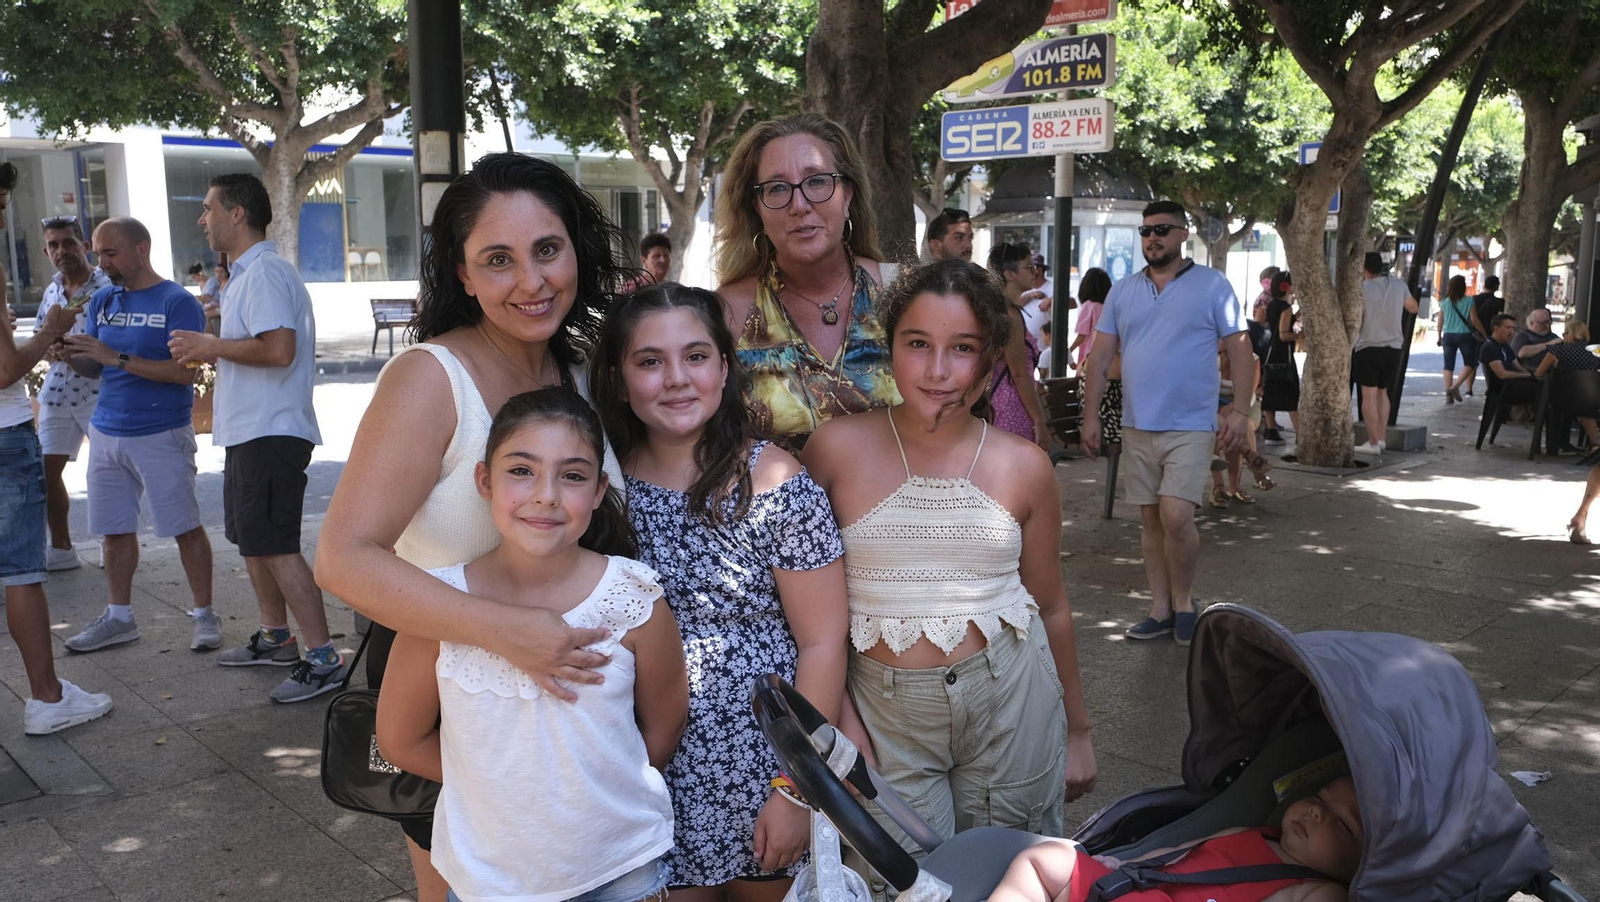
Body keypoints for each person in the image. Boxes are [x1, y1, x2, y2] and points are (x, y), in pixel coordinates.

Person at [315, 152, 632, 902]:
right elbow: (341, 558)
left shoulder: (576, 372)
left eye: (547, 250)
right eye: (498, 260)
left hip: (570, 718)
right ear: (461, 274)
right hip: (446, 703)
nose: (532, 281)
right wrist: (501, 628)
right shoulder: (430, 378)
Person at [804, 260, 1098, 860]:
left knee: (1010, 873)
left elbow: (1052, 605)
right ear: (889, 348)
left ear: (991, 358)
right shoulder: (834, 450)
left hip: (1013, 704)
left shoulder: (1025, 466)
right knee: (903, 880)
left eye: (961, 348)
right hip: (884, 720)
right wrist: (840, 720)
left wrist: (1080, 730)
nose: (938, 371)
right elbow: (807, 616)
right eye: (918, 344)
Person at [375, 388, 688, 902]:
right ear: (484, 481)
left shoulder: (633, 596)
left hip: (620, 869)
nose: (546, 494)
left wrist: (597, 789)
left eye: (571, 475)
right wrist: (506, 790)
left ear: (597, 489)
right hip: (490, 880)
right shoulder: (437, 604)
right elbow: (400, 741)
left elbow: (665, 721)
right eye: (521, 470)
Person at [590, 283, 849, 896]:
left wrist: (797, 788)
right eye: (650, 361)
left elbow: (822, 644)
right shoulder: (601, 486)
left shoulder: (778, 481)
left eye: (697, 356)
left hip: (763, 770)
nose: (677, 378)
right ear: (622, 381)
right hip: (649, 770)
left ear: (725, 368)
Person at [169, 173, 339, 703]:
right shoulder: (244, 274)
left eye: (208, 207)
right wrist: (215, 342)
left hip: (272, 431)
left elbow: (278, 351)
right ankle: (276, 638)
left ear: (237, 212)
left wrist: (211, 343)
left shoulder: (264, 273)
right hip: (251, 432)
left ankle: (324, 658)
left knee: (276, 544)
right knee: (253, 541)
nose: (203, 218)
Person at [1082, 200, 1254, 647]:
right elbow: (1100, 356)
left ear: (1182, 234)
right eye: (1145, 231)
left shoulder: (1213, 285)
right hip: (1139, 423)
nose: (1151, 238)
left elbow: (1240, 348)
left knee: (1176, 515)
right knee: (1150, 520)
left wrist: (1240, 409)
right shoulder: (1122, 291)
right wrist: (1091, 415)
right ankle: (1160, 609)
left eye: (1161, 229)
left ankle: (1184, 602)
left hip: (1192, 424)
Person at [59, 218, 218, 653]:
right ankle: (119, 616)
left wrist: (116, 356)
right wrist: (71, 353)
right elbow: (96, 364)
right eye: (97, 253)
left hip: (161, 431)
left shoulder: (177, 301)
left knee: (184, 527)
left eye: (109, 253)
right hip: (107, 429)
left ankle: (204, 615)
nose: (101, 262)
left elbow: (183, 375)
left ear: (141, 249)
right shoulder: (103, 299)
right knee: (113, 531)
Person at [0, 163, 116, 734]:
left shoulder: (104, 285)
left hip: (81, 401)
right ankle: (46, 699)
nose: (3, 215)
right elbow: (4, 369)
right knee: (21, 571)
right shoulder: (22, 281)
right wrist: (48, 335)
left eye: (67, 242)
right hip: (15, 425)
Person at [714, 113, 899, 455]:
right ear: (757, 209)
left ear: (847, 196)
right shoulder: (726, 314)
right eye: (777, 188)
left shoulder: (899, 293)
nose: (799, 205)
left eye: (816, 181)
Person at [987, 775, 1363, 902]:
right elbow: (1173, 856)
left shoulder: (1321, 890)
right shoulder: (1247, 833)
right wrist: (1125, 866)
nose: (1315, 812)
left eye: (1343, 824)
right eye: (1319, 798)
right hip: (1132, 890)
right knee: (1046, 857)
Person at [35, 215, 112, 571]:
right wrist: (49, 347)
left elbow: (115, 342)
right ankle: (63, 550)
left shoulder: (107, 285)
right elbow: (40, 332)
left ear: (84, 246)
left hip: (99, 391)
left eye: (68, 243)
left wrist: (76, 348)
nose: (61, 251)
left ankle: (112, 545)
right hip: (57, 393)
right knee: (46, 472)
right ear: (46, 250)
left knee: (108, 471)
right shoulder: (51, 289)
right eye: (53, 245)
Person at [1352, 252, 1419, 456]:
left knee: (1368, 395)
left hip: (1368, 346)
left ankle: (1372, 442)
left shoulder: (1361, 289)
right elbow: (1413, 307)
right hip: (1393, 348)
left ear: (1363, 269)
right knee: (1383, 392)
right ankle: (1381, 438)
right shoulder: (1399, 285)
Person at [988, 242, 1049, 447]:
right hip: (1012, 408)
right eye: (1029, 267)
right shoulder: (1010, 315)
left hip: (998, 405)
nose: (1035, 272)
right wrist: (1039, 421)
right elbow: (1019, 374)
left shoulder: (998, 309)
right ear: (1009, 274)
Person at [1260, 271, 1300, 444]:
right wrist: (1300, 335)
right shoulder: (1286, 308)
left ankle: (1271, 431)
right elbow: (1284, 334)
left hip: (1271, 352)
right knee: (1291, 395)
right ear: (1286, 286)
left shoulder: (1271, 305)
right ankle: (1300, 434)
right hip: (1283, 355)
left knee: (1271, 392)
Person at [1437, 274, 1478, 404]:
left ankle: (1448, 393)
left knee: (1448, 365)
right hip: (1464, 335)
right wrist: (1483, 332)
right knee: (1470, 363)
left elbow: (1440, 322)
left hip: (1448, 335)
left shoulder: (1445, 301)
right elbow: (1474, 319)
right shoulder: (1469, 300)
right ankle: (1455, 387)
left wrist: (1439, 336)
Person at [1067, 268, 1111, 370]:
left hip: (1089, 356)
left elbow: (1082, 335)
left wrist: (1070, 350)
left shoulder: (1088, 306)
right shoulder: (1109, 306)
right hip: (1107, 354)